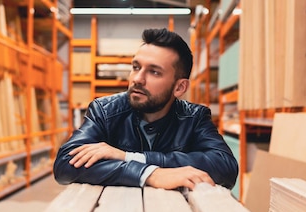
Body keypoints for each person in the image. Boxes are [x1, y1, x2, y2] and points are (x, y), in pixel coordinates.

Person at [53, 28, 238, 190]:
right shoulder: (105, 111)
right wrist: (150, 174)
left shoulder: (194, 117)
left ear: (179, 87)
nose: (137, 79)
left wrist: (127, 157)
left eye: (154, 72)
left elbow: (226, 167)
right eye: (136, 67)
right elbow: (64, 166)